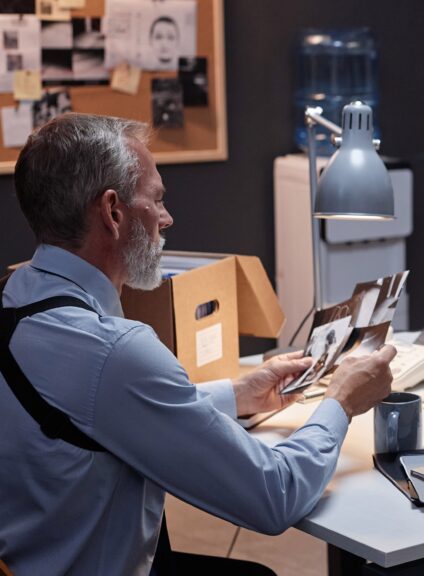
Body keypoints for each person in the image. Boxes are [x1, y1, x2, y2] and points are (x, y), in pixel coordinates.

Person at [0, 113, 397, 574]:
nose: (167, 219)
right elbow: (274, 495)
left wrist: (238, 394)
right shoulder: (115, 350)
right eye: (157, 199)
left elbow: (100, 409)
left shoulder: (16, 296)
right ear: (112, 212)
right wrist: (341, 401)